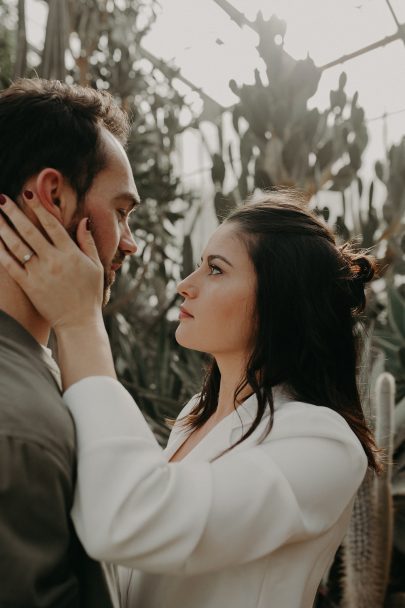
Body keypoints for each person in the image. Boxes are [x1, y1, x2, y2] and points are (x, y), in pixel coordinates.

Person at [0, 189, 380, 608]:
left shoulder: (323, 445)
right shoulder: (194, 417)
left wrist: (79, 322)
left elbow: (132, 522)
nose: (185, 285)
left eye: (215, 270)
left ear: (279, 299)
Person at [0, 78, 139, 607]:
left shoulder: (42, 374)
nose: (130, 242)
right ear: (53, 196)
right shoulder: (18, 426)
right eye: (122, 211)